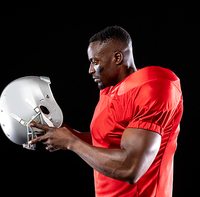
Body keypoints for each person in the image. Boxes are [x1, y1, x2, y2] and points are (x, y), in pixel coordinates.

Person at [29, 26, 183, 197]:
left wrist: (71, 142)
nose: (90, 70)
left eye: (95, 62)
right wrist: (66, 134)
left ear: (117, 57)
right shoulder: (110, 89)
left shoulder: (153, 87)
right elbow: (106, 140)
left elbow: (131, 169)